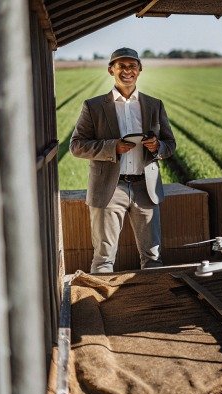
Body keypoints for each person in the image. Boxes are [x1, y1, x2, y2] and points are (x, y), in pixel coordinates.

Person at [70, 47, 176, 273]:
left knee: (153, 256)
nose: (127, 71)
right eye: (121, 66)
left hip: (145, 188)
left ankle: (155, 304)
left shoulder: (154, 105)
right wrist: (112, 147)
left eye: (132, 66)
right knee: (103, 258)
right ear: (111, 70)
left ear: (139, 70)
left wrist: (157, 147)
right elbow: (76, 146)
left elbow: (170, 145)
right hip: (109, 188)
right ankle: (100, 305)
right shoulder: (94, 106)